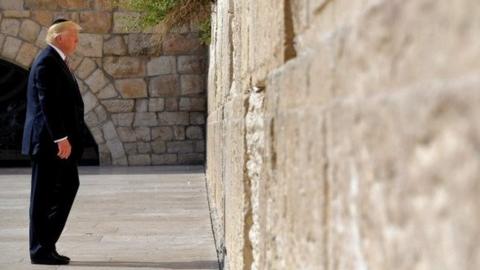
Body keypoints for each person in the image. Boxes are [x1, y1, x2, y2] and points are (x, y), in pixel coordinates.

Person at [21, 19, 85, 265]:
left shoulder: (57, 60)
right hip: (49, 143)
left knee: (67, 187)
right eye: (73, 36)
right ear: (59, 37)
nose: (77, 40)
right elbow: (47, 103)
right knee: (43, 197)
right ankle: (40, 249)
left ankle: (46, 243)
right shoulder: (47, 62)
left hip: (56, 143)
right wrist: (61, 138)